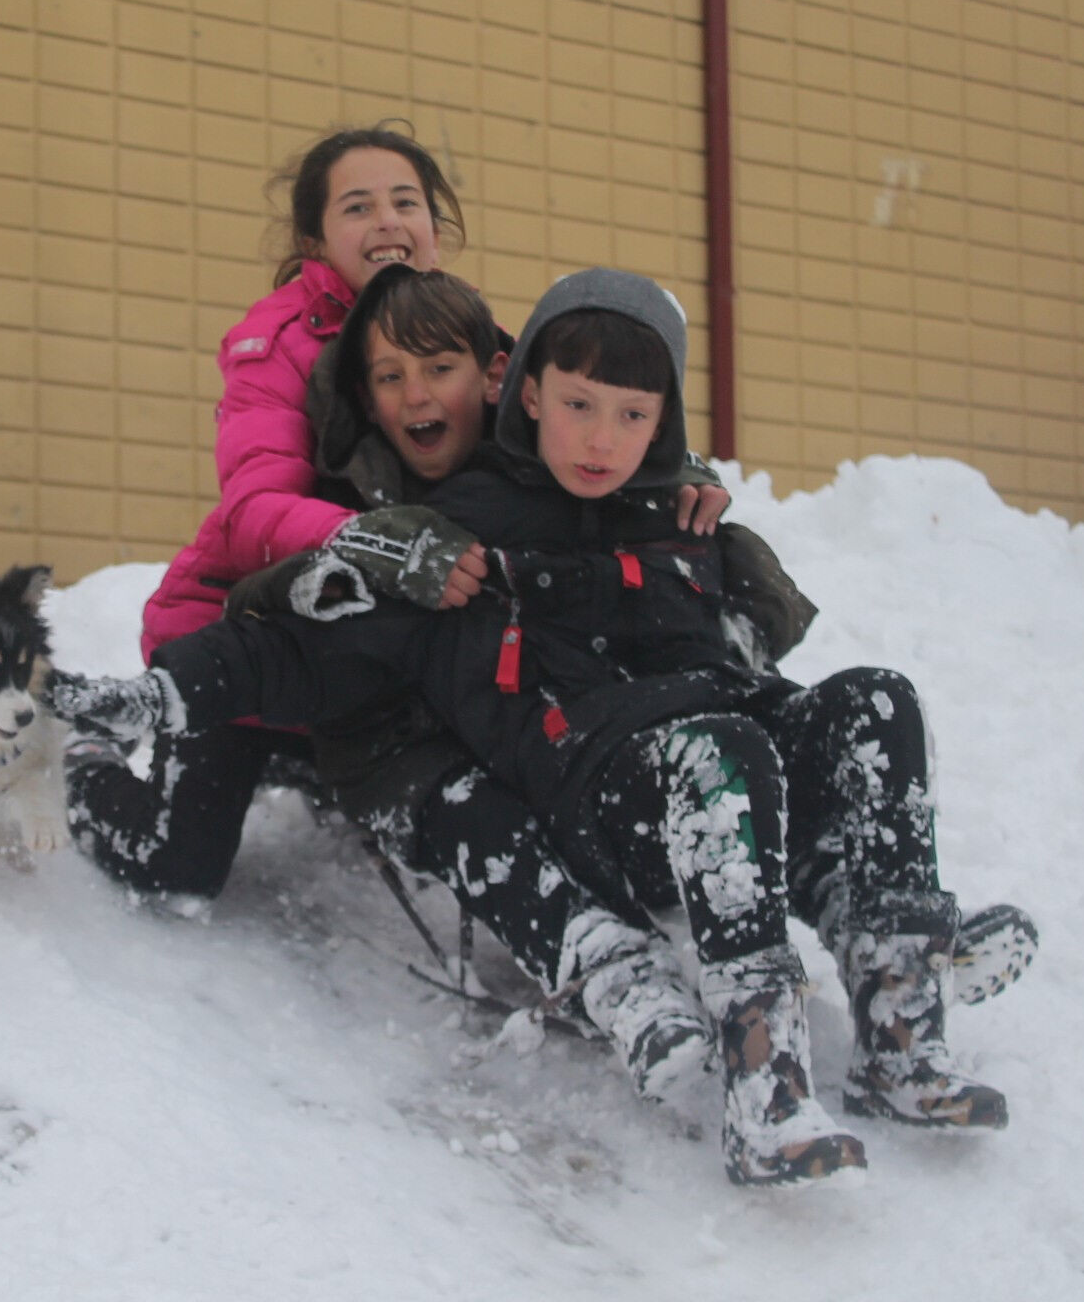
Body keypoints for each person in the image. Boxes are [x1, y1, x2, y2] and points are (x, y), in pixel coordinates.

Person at [55, 266, 1020, 1188]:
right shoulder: (463, 532)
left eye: (633, 416)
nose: (602, 438)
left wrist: (734, 562)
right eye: (578, 406)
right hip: (601, 794)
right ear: (525, 394)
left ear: (664, 421)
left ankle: (902, 1034)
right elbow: (307, 643)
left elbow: (749, 649)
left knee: (877, 702)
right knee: (721, 753)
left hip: (724, 755)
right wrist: (162, 693)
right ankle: (767, 1090)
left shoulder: (675, 515)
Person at [64, 124, 724, 900]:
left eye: (405, 202)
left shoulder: (463, 327)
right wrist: (373, 542)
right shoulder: (277, 345)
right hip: (250, 631)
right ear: (314, 241)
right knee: (178, 865)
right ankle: (83, 762)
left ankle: (321, 766)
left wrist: (670, 474)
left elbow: (567, 415)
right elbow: (254, 511)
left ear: (434, 228)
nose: (387, 220)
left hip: (378, 644)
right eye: (358, 206)